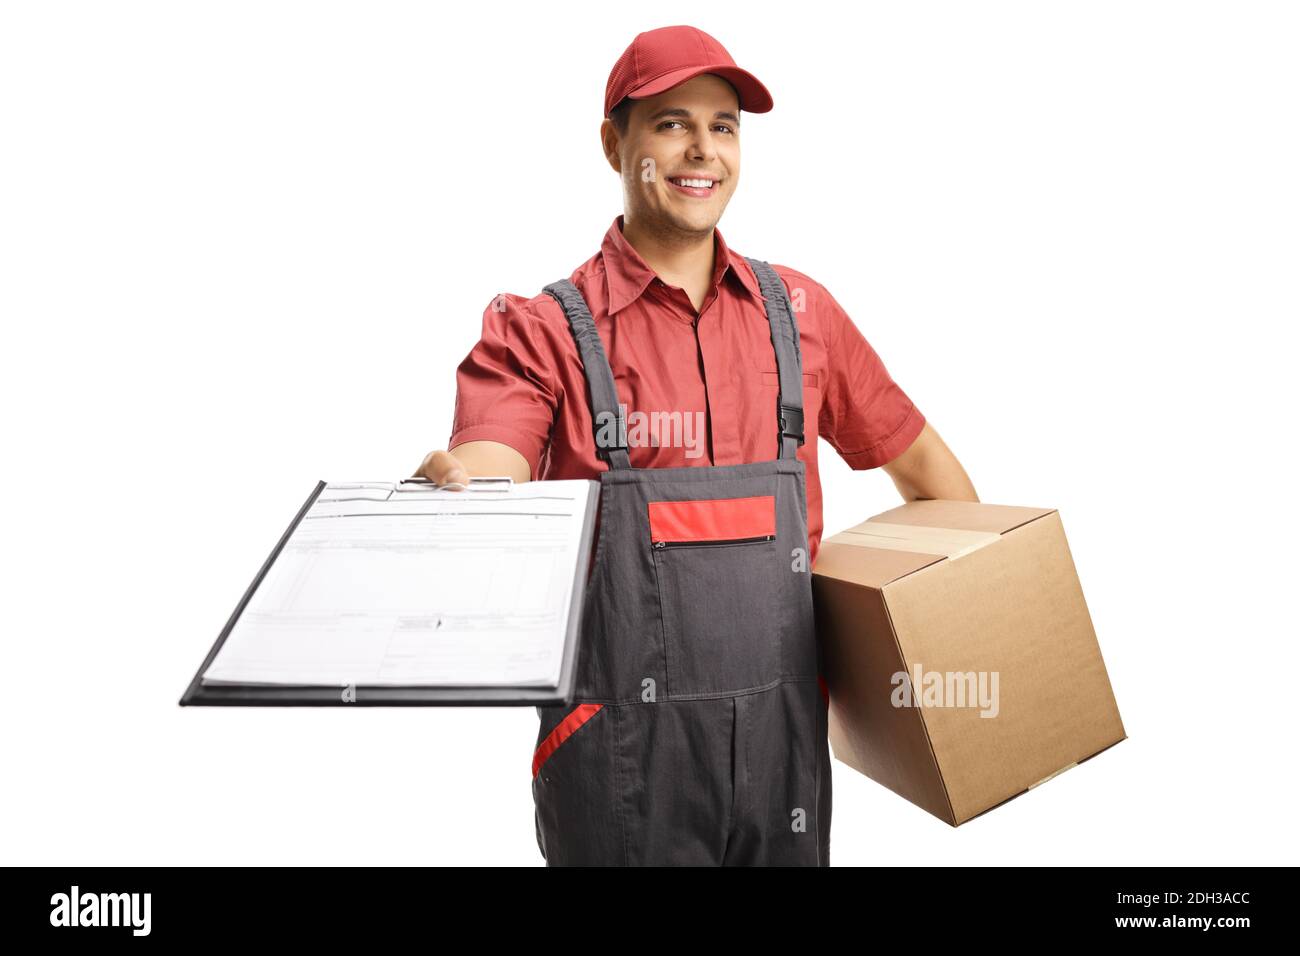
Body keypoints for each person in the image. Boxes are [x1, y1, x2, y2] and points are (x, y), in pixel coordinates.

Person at [414, 25, 978, 865]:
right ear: (617, 144)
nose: (701, 151)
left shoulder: (803, 316)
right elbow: (493, 465)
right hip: (617, 759)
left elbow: (937, 486)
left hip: (784, 756)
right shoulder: (543, 333)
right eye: (672, 123)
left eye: (724, 126)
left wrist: (956, 646)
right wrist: (463, 481)